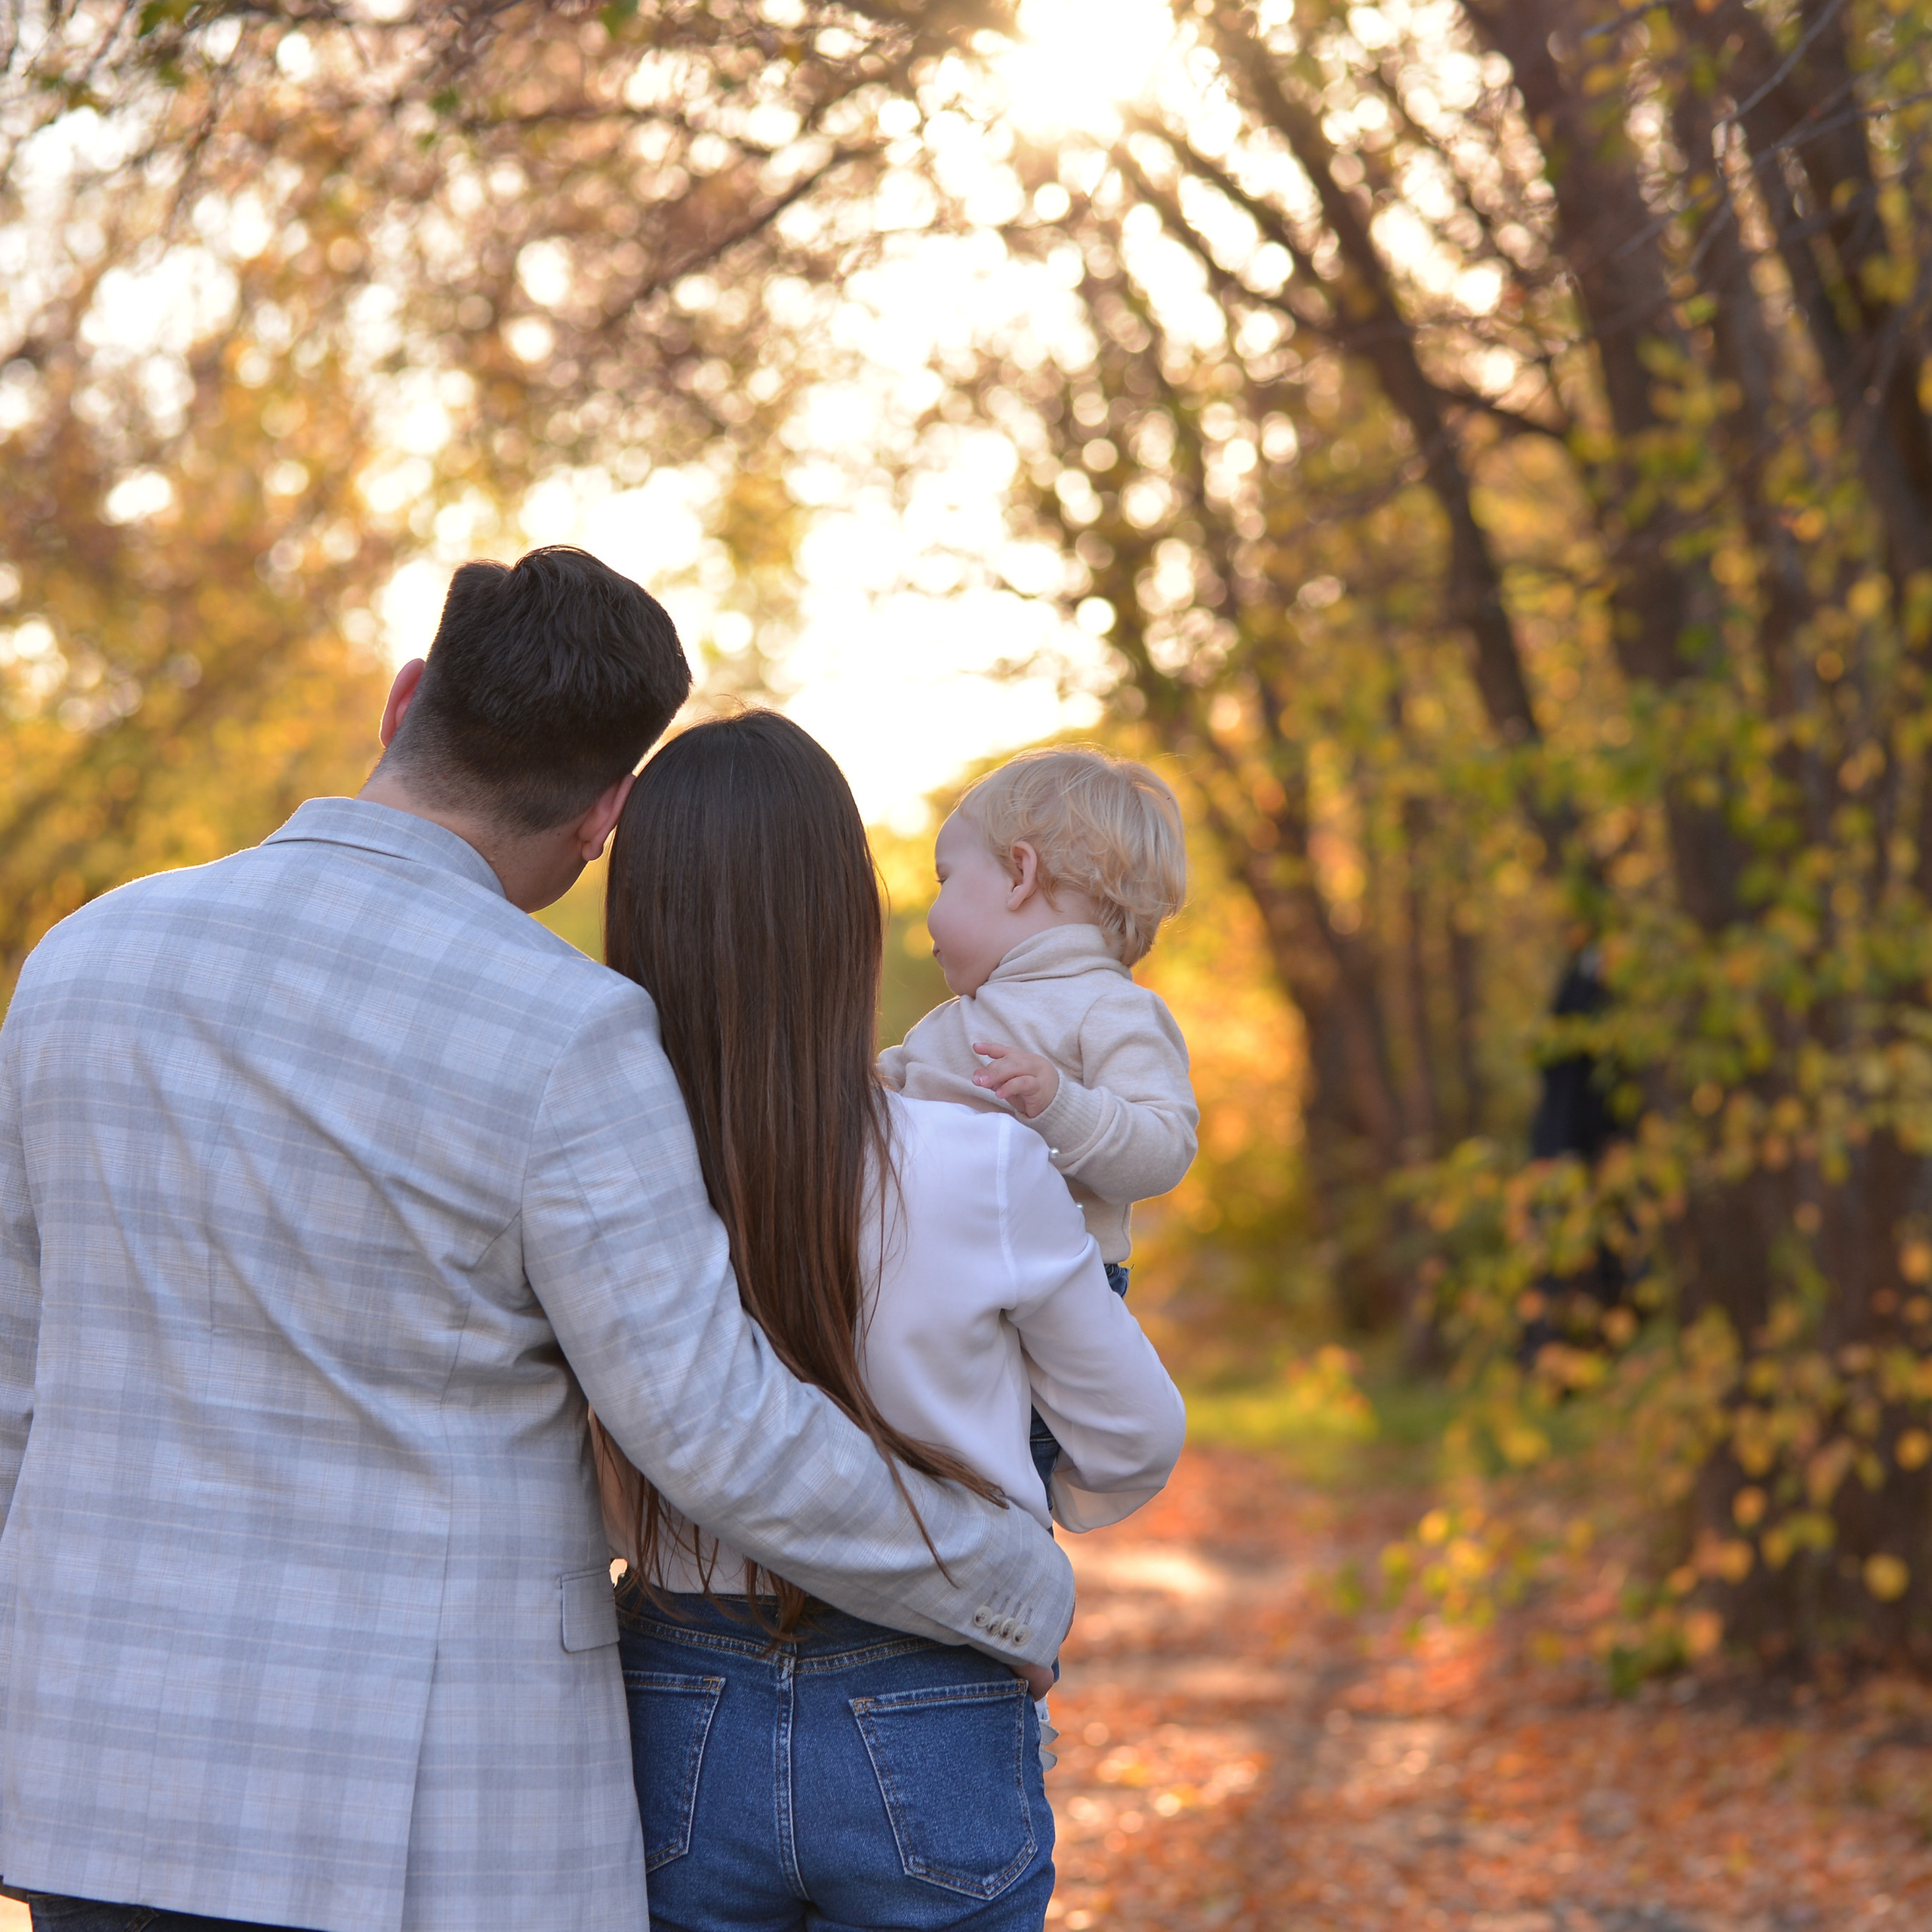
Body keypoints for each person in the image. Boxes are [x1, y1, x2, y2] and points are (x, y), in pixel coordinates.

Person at [0, 547, 1073, 1932]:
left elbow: (18, 1392)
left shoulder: (82, 962)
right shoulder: (565, 1031)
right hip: (422, 1821)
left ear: (401, 704)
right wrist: (1005, 1582)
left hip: (100, 1774)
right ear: (605, 816)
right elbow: (712, 1428)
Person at [598, 711, 1184, 1932]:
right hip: (933, 1692)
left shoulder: (600, 1177)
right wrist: (1012, 1520)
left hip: (677, 1692)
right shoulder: (978, 1161)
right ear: (846, 921)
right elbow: (1134, 1438)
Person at [876, 747, 1196, 1495]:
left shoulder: (1112, 1009)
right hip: (943, 1284)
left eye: (945, 879)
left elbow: (1163, 1148)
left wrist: (1061, 1103)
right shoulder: (956, 1020)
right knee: (939, 1459)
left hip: (1059, 1301)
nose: (930, 912)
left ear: (1019, 875)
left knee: (1006, 1471)